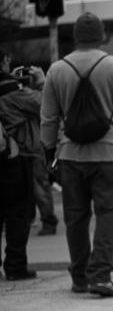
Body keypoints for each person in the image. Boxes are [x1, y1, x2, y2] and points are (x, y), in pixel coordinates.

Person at [40, 12, 113, 297]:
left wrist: (49, 150)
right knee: (109, 213)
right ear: (101, 36)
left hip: (70, 154)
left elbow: (48, 118)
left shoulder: (57, 69)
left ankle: (79, 277)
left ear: (76, 36)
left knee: (75, 218)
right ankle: (100, 275)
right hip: (109, 153)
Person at [0, 51, 45, 280]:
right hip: (15, 157)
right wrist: (41, 82)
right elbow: (43, 105)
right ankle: (16, 266)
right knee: (19, 213)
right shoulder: (10, 90)